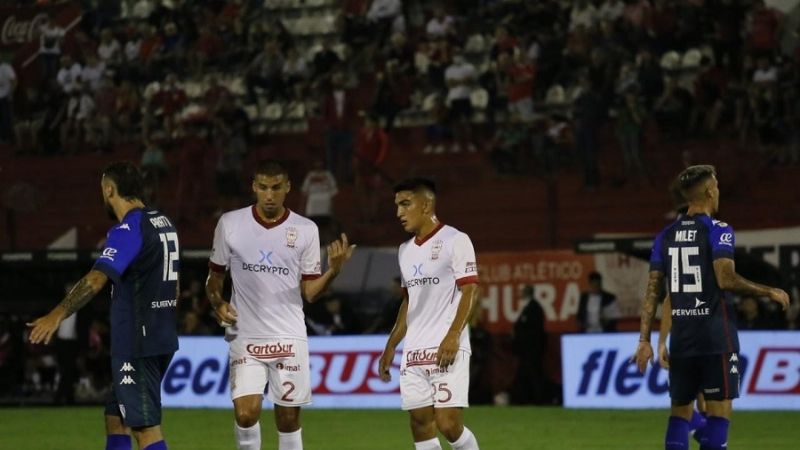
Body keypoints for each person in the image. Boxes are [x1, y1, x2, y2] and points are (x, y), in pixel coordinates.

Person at [633, 164, 789, 450]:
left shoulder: (664, 236)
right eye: (716, 187)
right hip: (717, 338)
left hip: (683, 341)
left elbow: (654, 292)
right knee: (719, 415)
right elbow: (725, 278)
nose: (718, 192)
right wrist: (769, 291)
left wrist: (646, 340)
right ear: (708, 191)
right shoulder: (719, 230)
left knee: (680, 414)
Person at [28, 162, 180, 450]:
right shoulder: (163, 222)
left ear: (109, 189)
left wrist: (56, 315)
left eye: (103, 190)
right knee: (116, 417)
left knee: (145, 428)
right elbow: (175, 285)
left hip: (137, 340)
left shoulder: (128, 228)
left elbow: (97, 278)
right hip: (160, 334)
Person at [205, 160, 355, 450]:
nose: (269, 195)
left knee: (287, 419)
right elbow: (214, 277)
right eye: (263, 187)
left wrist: (332, 272)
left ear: (287, 188)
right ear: (254, 187)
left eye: (276, 187)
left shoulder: (306, 229)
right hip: (244, 334)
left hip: (288, 335)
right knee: (246, 414)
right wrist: (217, 302)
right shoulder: (230, 224)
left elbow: (310, 293)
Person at [379, 177, 481, 450]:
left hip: (447, 346)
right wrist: (391, 344)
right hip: (414, 350)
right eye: (397, 205)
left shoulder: (455, 240)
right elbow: (408, 302)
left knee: (448, 424)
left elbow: (471, 290)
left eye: (405, 204)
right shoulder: (404, 251)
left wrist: (453, 335)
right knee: (420, 424)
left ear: (425, 205)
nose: (398, 212)